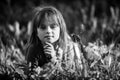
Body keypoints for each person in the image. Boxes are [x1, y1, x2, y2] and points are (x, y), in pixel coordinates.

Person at [25, 5, 86, 78]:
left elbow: (68, 75)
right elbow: (31, 75)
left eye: (53, 27)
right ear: (36, 32)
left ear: (61, 29)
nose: (48, 31)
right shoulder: (34, 48)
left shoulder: (68, 47)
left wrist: (53, 59)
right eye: (43, 27)